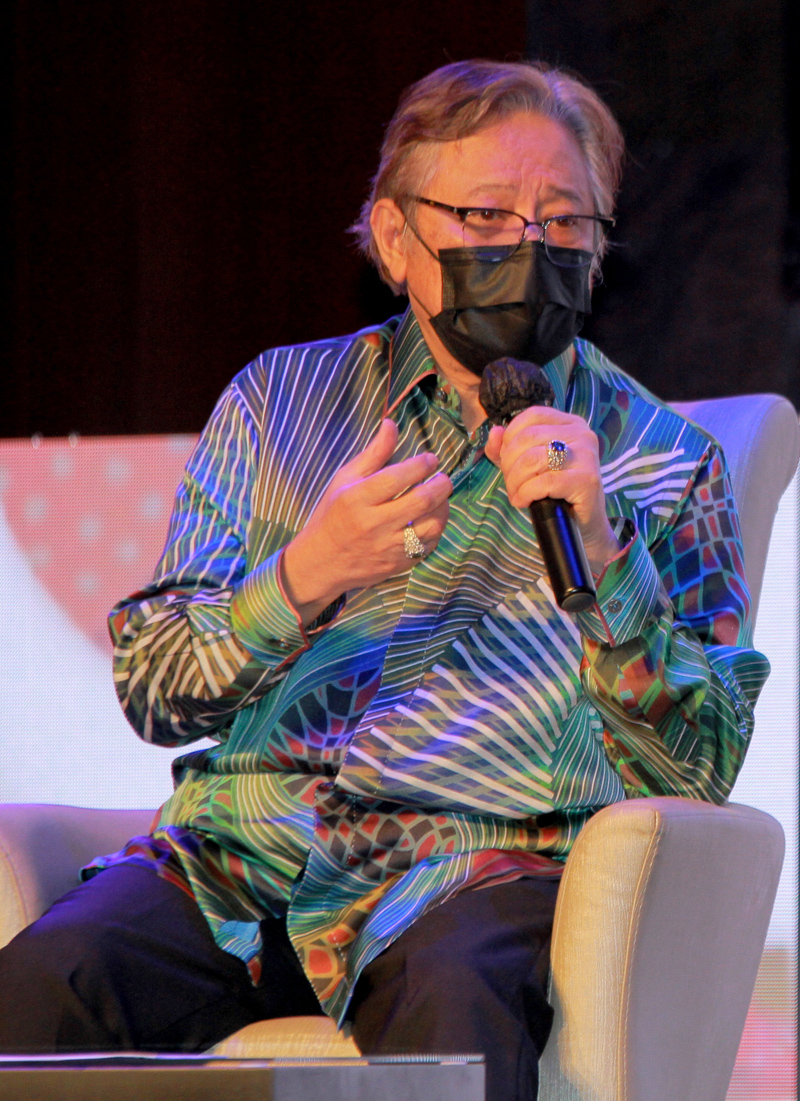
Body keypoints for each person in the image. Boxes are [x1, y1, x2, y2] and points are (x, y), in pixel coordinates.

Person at [0, 59, 769, 1101]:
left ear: (596, 254)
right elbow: (152, 689)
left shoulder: (667, 464)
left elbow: (699, 770)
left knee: (456, 1008)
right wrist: (303, 575)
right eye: (486, 216)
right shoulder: (280, 403)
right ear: (397, 240)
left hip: (475, 868)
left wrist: (601, 559)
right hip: (242, 859)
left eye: (562, 221)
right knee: (46, 988)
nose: (528, 249)